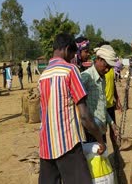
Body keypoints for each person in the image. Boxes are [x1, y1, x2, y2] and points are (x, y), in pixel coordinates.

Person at [38, 33, 106, 184]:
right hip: (67, 144)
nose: (72, 58)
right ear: (67, 49)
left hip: (46, 146)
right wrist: (100, 139)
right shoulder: (70, 70)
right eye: (72, 54)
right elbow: (84, 115)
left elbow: (42, 113)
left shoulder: (43, 76)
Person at [81, 44, 119, 144]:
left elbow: (101, 106)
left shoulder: (102, 79)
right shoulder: (86, 77)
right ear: (98, 59)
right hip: (89, 133)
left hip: (100, 131)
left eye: (110, 68)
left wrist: (111, 123)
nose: (107, 70)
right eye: (106, 66)